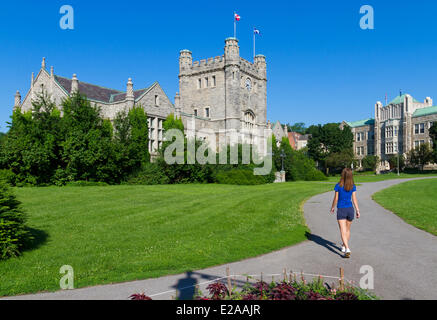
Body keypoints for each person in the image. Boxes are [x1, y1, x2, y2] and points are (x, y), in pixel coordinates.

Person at [330, 168, 360, 258]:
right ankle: (343, 245)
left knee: (343, 230)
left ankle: (347, 248)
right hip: (350, 209)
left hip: (341, 210)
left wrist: (332, 207)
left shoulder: (338, 186)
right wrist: (357, 210)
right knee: (347, 230)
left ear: (342, 175)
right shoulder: (352, 186)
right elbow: (354, 199)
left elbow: (336, 199)